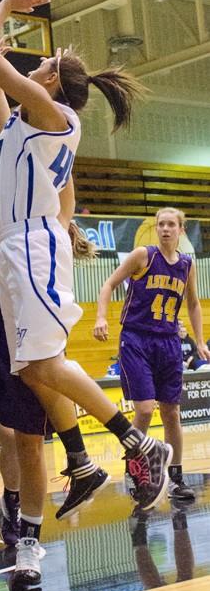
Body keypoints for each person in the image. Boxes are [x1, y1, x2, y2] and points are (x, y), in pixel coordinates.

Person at [0, 0, 172, 513]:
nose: (34, 65)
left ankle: (139, 442)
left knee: (46, 362)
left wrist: (12, 2)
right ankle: (83, 461)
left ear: (51, 79)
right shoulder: (32, 119)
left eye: (42, 62)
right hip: (22, 244)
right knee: (32, 368)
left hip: (32, 246)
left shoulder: (52, 114)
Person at [0, 75, 106, 588]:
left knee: (29, 445)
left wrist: (1, 77)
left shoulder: (50, 220)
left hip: (23, 338)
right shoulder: (3, 214)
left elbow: (22, 134)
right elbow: (2, 154)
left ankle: (29, 539)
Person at [94, 207, 210, 501]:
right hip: (136, 339)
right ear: (156, 229)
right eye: (161, 224)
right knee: (145, 410)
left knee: (172, 412)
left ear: (181, 230)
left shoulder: (186, 264)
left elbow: (194, 304)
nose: (166, 229)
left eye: (171, 224)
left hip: (169, 342)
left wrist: (199, 340)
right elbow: (108, 284)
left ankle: (176, 478)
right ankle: (134, 469)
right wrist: (101, 318)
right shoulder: (143, 255)